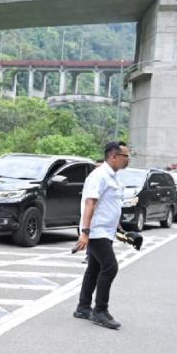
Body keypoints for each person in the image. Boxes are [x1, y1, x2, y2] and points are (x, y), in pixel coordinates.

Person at [72, 141, 130, 329]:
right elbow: (90, 203)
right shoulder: (99, 176)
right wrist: (85, 232)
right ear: (114, 156)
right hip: (96, 231)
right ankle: (100, 310)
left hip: (107, 230)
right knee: (110, 267)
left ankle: (83, 307)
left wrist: (121, 230)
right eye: (125, 156)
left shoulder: (114, 177)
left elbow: (112, 207)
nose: (127, 160)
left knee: (95, 268)